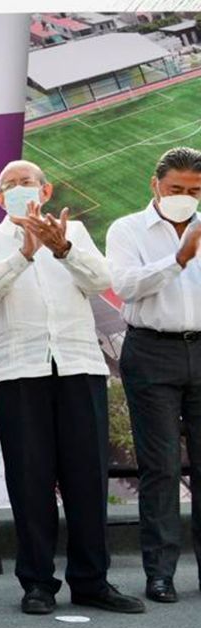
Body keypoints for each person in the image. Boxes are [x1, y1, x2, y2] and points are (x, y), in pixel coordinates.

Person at [0, 160, 145, 614]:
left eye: (28, 182)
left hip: (79, 366)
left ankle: (92, 581)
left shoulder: (74, 232)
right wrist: (23, 254)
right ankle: (38, 583)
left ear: (45, 191)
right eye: (9, 184)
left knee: (87, 478)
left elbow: (104, 281)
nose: (19, 188)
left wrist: (62, 249)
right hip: (18, 371)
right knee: (30, 480)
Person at [106, 146, 201, 604]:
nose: (185, 197)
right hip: (151, 350)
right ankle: (160, 573)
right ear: (155, 186)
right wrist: (178, 259)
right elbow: (125, 285)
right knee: (160, 467)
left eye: (194, 191)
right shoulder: (127, 229)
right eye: (176, 188)